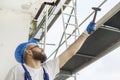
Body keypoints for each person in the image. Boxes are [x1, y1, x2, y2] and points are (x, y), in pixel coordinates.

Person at [5, 21, 95, 80]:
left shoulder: (48, 68)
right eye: (37, 47)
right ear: (29, 52)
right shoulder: (17, 71)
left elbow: (69, 53)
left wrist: (85, 34)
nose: (42, 48)